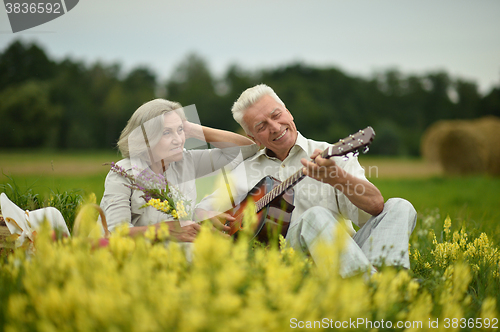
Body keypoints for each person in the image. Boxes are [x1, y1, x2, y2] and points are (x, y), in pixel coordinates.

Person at [195, 84, 417, 277]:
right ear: (253, 138)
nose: (274, 127)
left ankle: (378, 282)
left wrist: (337, 178)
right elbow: (202, 210)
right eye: (261, 126)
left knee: (400, 206)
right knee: (315, 216)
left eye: (276, 115)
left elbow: (375, 206)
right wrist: (207, 215)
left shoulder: (333, 155)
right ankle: (381, 288)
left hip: (346, 251)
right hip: (291, 263)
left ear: (288, 112)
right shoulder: (243, 171)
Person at [99, 99, 258, 242]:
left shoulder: (186, 161)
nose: (179, 140)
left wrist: (191, 129)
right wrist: (165, 230)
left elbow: (247, 149)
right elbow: (114, 232)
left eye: (180, 130)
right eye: (167, 132)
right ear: (146, 139)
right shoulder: (123, 173)